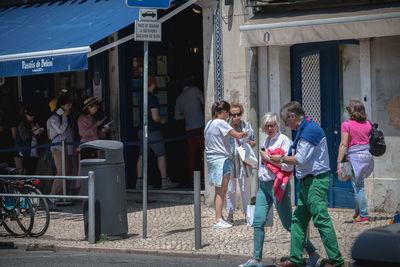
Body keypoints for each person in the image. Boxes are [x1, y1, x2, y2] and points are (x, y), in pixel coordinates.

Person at [241, 112, 320, 267]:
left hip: (278, 186)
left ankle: (312, 253)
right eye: (267, 126)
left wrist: (268, 158)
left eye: (273, 125)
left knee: (289, 224)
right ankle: (257, 259)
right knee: (258, 221)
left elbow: (288, 165)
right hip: (263, 186)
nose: (270, 128)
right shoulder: (267, 141)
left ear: (277, 125)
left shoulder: (284, 141)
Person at [272, 102, 344, 267]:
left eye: (285, 120)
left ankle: (337, 262)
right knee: (298, 221)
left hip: (316, 181)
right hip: (306, 182)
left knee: (321, 219)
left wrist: (280, 158)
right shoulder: (304, 130)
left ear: (292, 117)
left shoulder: (309, 131)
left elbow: (300, 159)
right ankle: (296, 260)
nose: (285, 124)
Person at [204, 101, 248, 229]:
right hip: (221, 159)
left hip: (212, 159)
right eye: (228, 113)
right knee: (222, 190)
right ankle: (218, 219)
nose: (229, 115)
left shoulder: (209, 123)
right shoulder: (221, 123)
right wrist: (246, 134)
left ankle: (220, 217)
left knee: (219, 189)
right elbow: (238, 135)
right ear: (223, 112)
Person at [337, 99, 374, 223]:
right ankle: (358, 212)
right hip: (367, 157)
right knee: (356, 185)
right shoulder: (369, 123)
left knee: (359, 187)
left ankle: (363, 215)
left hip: (355, 158)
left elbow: (343, 144)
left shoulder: (347, 125)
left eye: (348, 109)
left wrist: (339, 162)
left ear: (351, 111)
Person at [136, 76, 177, 190]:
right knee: (161, 155)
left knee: (141, 156)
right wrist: (162, 120)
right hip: (153, 130)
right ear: (153, 84)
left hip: (141, 130)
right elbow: (155, 117)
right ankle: (165, 180)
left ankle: (139, 183)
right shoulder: (152, 98)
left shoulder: (141, 98)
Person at [225, 103, 255, 224]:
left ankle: (247, 214)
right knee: (230, 190)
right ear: (229, 114)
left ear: (241, 114)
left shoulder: (246, 126)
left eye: (238, 114)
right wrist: (230, 126)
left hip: (244, 162)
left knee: (245, 189)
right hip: (230, 162)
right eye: (233, 114)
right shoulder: (225, 126)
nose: (236, 117)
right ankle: (230, 214)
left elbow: (253, 141)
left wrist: (251, 143)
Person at [174, 76, 205, 183]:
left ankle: (192, 179)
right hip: (200, 126)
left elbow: (177, 117)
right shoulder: (195, 90)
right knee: (205, 152)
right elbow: (204, 102)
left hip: (189, 129)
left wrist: (186, 116)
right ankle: (205, 175)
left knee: (191, 155)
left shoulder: (179, 98)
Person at [47, 95, 75, 200]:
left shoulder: (68, 117)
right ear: (61, 106)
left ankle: (64, 194)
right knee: (61, 171)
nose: (69, 107)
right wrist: (64, 117)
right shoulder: (53, 118)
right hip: (58, 147)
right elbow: (60, 130)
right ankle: (53, 195)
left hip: (68, 146)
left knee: (68, 171)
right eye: (67, 104)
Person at [16, 106, 45, 174]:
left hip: (35, 150)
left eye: (33, 115)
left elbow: (36, 136)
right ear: (26, 115)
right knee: (28, 171)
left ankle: (30, 184)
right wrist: (32, 130)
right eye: (30, 115)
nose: (32, 117)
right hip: (26, 151)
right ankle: (27, 184)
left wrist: (39, 132)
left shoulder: (34, 123)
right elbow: (24, 137)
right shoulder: (22, 124)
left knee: (33, 171)